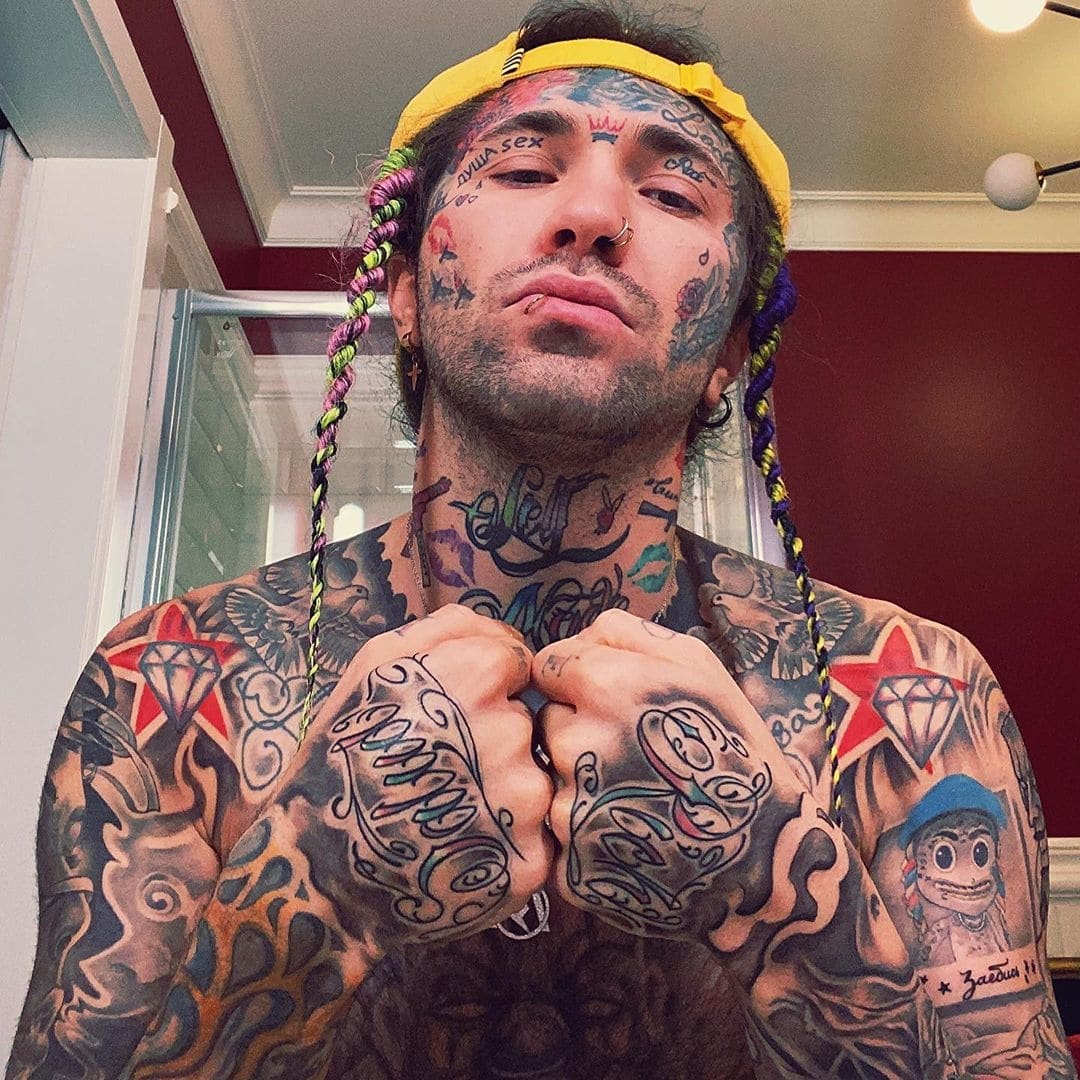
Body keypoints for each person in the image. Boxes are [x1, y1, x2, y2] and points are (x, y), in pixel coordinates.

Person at [6, 2, 1073, 1077]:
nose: (594, 214)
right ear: (408, 292)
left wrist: (783, 897)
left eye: (673, 194)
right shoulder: (174, 687)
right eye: (523, 170)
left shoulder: (904, 697)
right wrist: (317, 889)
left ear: (729, 354)